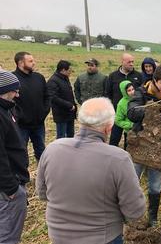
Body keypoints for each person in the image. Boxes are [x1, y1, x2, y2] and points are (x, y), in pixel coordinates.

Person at [36, 97, 145, 244]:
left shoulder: (52, 149)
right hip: (102, 237)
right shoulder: (118, 158)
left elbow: (42, 193)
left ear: (80, 121)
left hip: (58, 235)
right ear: (109, 127)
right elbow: (134, 211)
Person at [128, 64, 161, 227]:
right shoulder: (141, 92)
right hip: (139, 147)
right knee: (131, 182)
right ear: (154, 80)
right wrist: (153, 109)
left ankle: (152, 219)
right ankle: (129, 216)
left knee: (155, 186)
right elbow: (132, 114)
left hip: (160, 149)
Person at [0, 71, 29, 244]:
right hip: (8, 188)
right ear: (3, 90)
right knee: (8, 235)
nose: (17, 94)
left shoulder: (6, 109)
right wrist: (10, 188)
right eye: (14, 90)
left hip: (12, 182)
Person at [13, 51, 50, 163]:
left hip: (39, 124)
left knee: (41, 151)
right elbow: (9, 102)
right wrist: (19, 117)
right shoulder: (13, 79)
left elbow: (47, 96)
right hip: (21, 126)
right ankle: (22, 178)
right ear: (20, 63)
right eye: (30, 61)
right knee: (20, 153)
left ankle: (42, 177)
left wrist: (44, 112)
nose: (34, 63)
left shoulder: (39, 77)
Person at [106, 53, 142, 147]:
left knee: (129, 141)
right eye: (129, 62)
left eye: (132, 62)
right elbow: (108, 94)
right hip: (117, 112)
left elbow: (141, 93)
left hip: (132, 115)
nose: (131, 64)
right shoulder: (113, 76)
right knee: (114, 139)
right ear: (122, 62)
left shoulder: (138, 76)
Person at [47, 60, 77, 139]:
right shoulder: (53, 81)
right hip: (61, 115)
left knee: (70, 136)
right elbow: (53, 98)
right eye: (69, 70)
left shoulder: (65, 78)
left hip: (70, 113)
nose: (71, 72)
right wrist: (69, 105)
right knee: (61, 137)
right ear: (63, 70)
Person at [113, 81, 135, 150]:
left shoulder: (138, 98)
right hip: (129, 132)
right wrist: (131, 125)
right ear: (124, 92)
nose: (132, 92)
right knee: (129, 150)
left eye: (132, 89)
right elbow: (118, 121)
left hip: (142, 131)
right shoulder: (121, 104)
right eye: (129, 90)